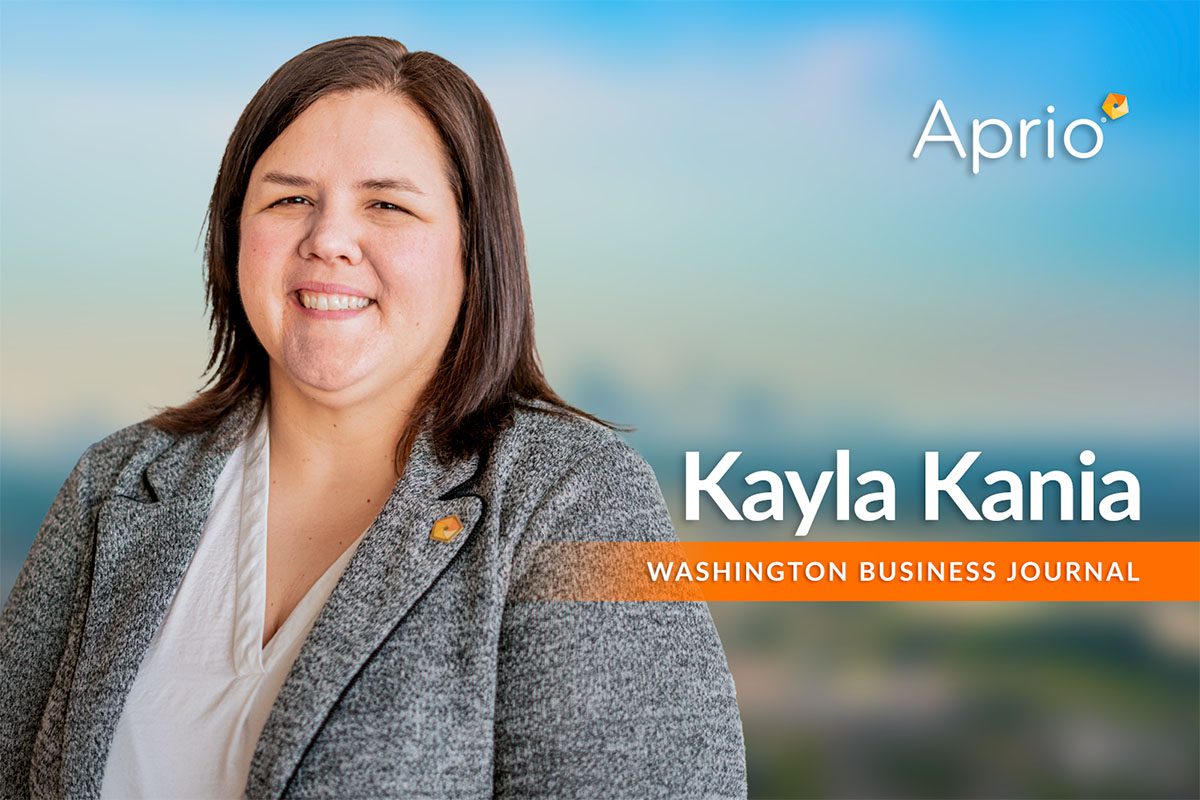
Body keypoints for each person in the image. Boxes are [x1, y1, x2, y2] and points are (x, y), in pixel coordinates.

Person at [0, 35, 746, 799]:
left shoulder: (572, 497)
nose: (328, 240)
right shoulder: (113, 486)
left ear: (473, 251)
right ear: (232, 235)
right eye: (290, 199)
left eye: (386, 205)